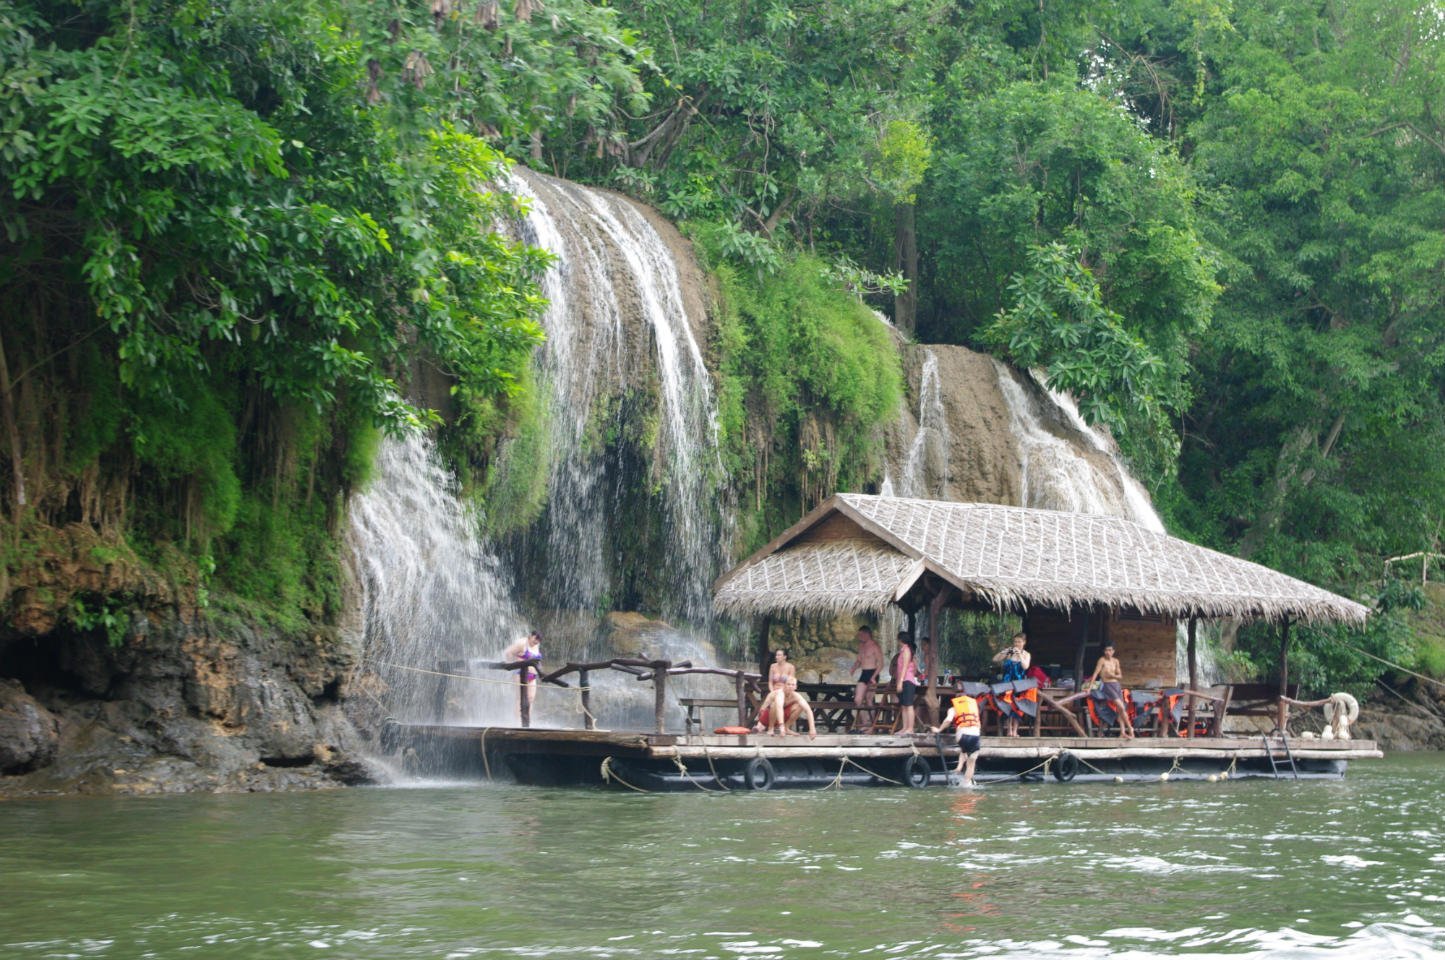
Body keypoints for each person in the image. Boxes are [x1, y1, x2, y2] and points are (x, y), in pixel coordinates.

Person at [932, 684, 983, 786]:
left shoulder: (953, 708)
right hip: (975, 735)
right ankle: (967, 784)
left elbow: (948, 720)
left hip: (962, 735)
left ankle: (959, 767)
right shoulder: (974, 706)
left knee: (964, 749)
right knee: (971, 763)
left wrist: (939, 730)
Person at [1088, 643, 1134, 739]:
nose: (1108, 652)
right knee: (1121, 707)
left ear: (1113, 651)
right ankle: (1130, 728)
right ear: (1104, 652)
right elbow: (1095, 673)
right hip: (1107, 686)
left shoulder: (1115, 661)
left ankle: (1122, 732)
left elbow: (1120, 676)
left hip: (1116, 685)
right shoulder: (1102, 660)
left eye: (1110, 650)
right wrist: (1089, 687)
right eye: (1106, 650)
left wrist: (1112, 675)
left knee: (1120, 710)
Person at [752, 675, 817, 738]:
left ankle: (786, 728)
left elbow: (808, 710)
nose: (790, 686)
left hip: (782, 717)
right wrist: (781, 727)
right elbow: (778, 707)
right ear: (784, 686)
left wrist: (812, 729)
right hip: (768, 716)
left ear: (795, 687)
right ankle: (770, 728)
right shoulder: (779, 694)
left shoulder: (796, 696)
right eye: (788, 684)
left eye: (793, 685)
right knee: (775, 704)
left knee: (800, 706)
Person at [992, 632, 1031, 737]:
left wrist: (1020, 654)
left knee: (1017, 707)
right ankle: (1009, 730)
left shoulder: (1026, 654)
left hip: (1019, 684)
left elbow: (1025, 667)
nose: (1017, 644)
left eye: (1019, 642)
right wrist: (1005, 651)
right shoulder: (1009, 654)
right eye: (1015, 641)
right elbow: (995, 659)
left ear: (1024, 643)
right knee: (1008, 706)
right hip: (1007, 683)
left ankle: (1015, 731)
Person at [503, 630, 543, 720]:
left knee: (531, 699)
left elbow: (537, 660)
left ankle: (527, 721)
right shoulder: (522, 643)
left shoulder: (536, 645)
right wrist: (515, 662)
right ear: (530, 636)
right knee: (520, 698)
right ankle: (518, 722)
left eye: (538, 641)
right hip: (520, 674)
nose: (536, 642)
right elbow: (508, 652)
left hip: (533, 676)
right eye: (534, 640)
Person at [850, 626, 883, 734]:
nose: (859, 637)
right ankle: (864, 724)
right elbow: (859, 660)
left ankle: (870, 725)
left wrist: (873, 677)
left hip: (873, 673)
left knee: (869, 700)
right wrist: (854, 668)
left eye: (860, 635)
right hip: (864, 674)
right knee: (858, 699)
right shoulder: (861, 646)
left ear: (867, 634)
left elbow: (881, 664)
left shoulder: (875, 646)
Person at [760, 648, 797, 734]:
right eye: (776, 655)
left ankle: (769, 726)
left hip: (785, 692)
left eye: (779, 655)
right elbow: (770, 682)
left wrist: (783, 691)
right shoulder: (773, 666)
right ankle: (768, 726)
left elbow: (791, 682)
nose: (776, 657)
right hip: (774, 691)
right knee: (773, 701)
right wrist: (772, 690)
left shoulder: (791, 667)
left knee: (775, 702)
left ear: (784, 657)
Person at [895, 634, 921, 734]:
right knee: (903, 705)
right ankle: (904, 728)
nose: (897, 641)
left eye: (898, 639)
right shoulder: (902, 650)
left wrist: (900, 681)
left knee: (909, 705)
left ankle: (910, 728)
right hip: (903, 680)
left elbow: (905, 667)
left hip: (907, 680)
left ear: (901, 640)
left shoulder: (906, 650)